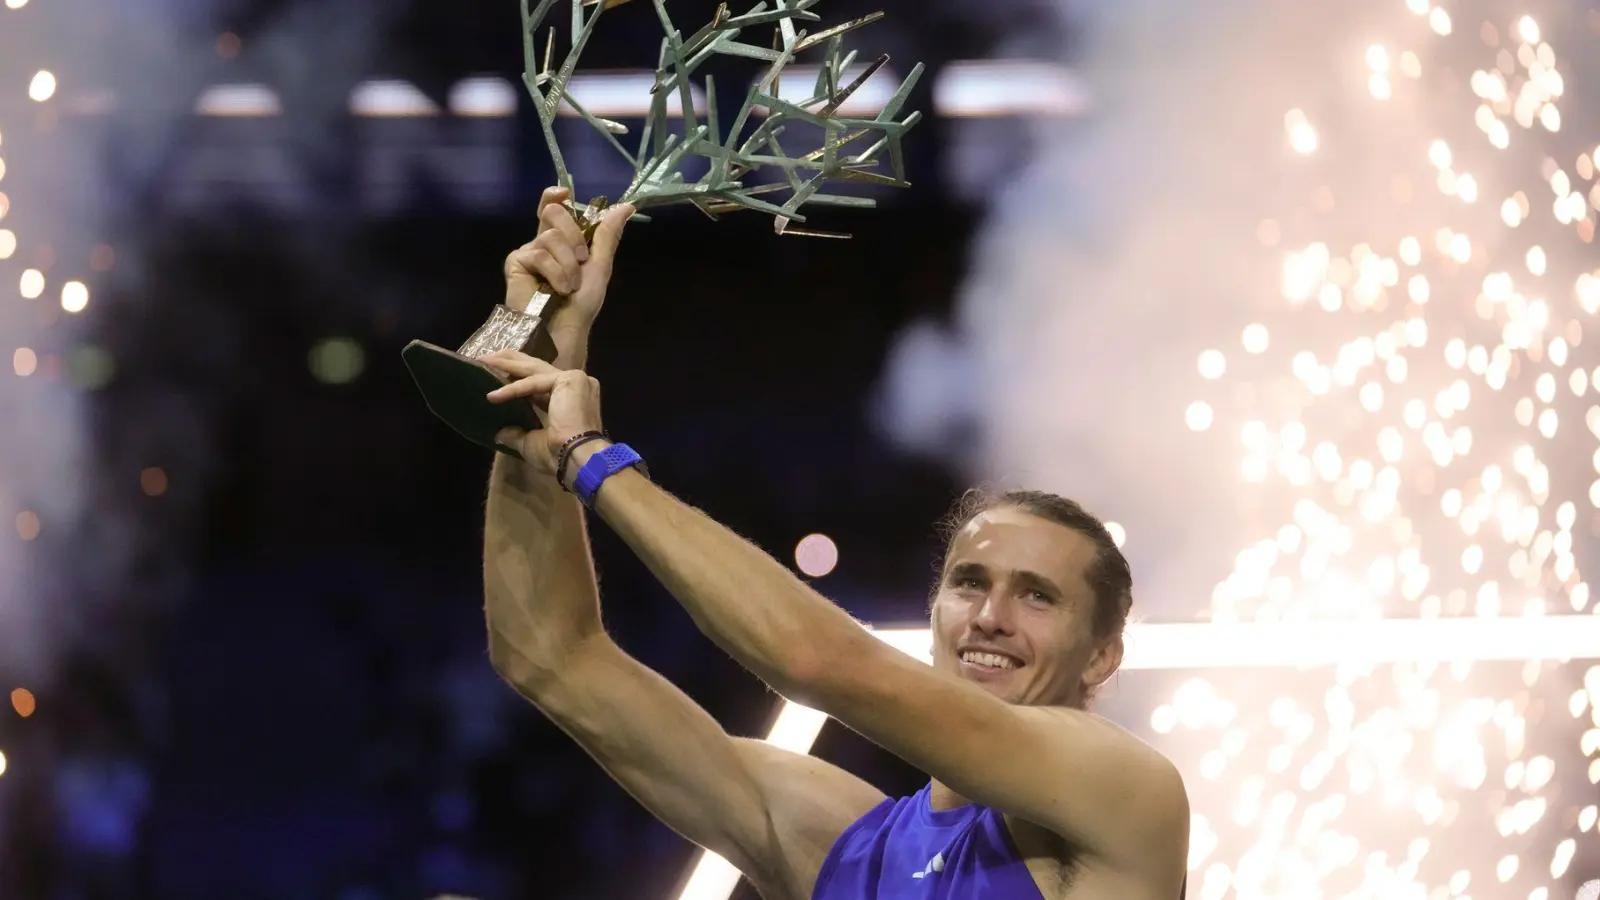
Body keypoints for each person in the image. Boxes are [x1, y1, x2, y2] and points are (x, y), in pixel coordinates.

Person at [475, 186, 1190, 899]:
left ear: (1103, 655)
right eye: (970, 582)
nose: (991, 615)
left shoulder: (1126, 796)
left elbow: (813, 658)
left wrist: (593, 460)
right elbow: (549, 655)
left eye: (1038, 594)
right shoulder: (838, 839)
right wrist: (546, 342)